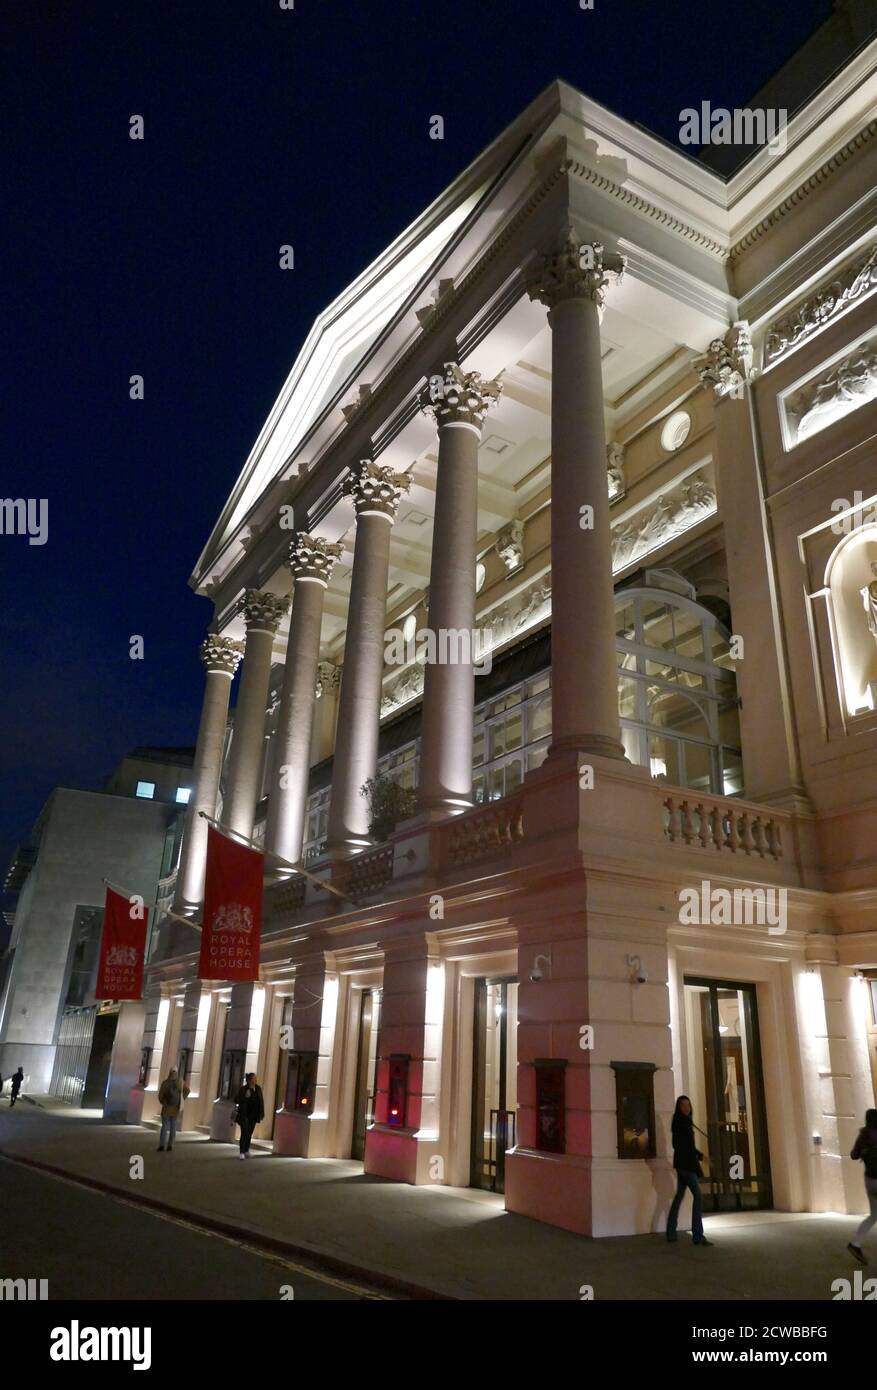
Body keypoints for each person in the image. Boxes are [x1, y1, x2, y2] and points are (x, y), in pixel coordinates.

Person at [666, 1095, 713, 1247]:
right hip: (687, 1165)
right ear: (679, 1108)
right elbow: (687, 1147)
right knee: (698, 1196)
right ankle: (698, 1235)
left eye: (688, 1105)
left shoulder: (679, 1122)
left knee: (679, 1196)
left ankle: (671, 1231)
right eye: (683, 1105)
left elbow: (679, 1145)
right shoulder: (683, 1123)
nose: (686, 1108)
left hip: (682, 1165)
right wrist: (702, 1156)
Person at [848, 1108, 877, 1264]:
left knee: (874, 1215)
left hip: (870, 1179)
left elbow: (853, 1155)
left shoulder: (863, 1135)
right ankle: (855, 1244)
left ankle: (855, 1244)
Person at [157, 1068, 190, 1152]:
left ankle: (161, 1145)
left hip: (166, 1108)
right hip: (175, 1108)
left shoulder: (165, 1083)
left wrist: (163, 1102)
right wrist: (181, 1099)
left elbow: (160, 1095)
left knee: (164, 1126)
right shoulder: (180, 1082)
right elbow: (188, 1090)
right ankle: (170, 1145)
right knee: (173, 1127)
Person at [233, 1072, 264, 1159]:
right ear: (249, 1080)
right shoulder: (243, 1089)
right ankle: (242, 1152)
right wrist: (245, 1097)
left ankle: (246, 1150)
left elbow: (261, 1101)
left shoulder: (258, 1089)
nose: (255, 1080)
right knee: (244, 1132)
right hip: (245, 1114)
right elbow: (236, 1099)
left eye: (255, 1079)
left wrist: (261, 1113)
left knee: (250, 1133)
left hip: (254, 1115)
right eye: (253, 1079)